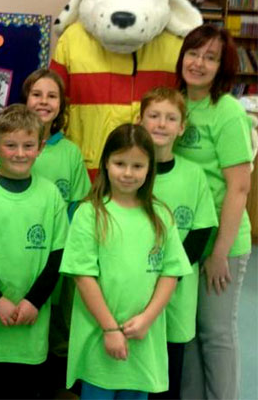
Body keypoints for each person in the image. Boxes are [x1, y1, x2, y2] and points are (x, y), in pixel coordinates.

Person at [60, 123, 192, 399]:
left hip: (142, 342)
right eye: (120, 163)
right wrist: (110, 328)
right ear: (106, 163)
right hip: (100, 339)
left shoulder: (160, 215)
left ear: (149, 168)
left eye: (137, 166)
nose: (128, 173)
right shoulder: (90, 213)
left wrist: (147, 319)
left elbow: (170, 273)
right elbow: (83, 277)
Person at [0, 104, 69, 400]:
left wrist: (33, 302)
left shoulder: (51, 196)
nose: (19, 153)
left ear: (41, 148)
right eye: (10, 145)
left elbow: (57, 257)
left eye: (27, 145)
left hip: (30, 332)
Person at [173, 24, 254, 400]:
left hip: (223, 240)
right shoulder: (175, 103)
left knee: (216, 332)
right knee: (188, 331)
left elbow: (239, 187)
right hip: (188, 238)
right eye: (193, 53)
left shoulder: (227, 112)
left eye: (210, 57)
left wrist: (220, 253)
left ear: (222, 68)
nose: (199, 63)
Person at [139, 87, 218, 400]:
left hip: (176, 297)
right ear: (140, 120)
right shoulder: (130, 172)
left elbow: (200, 232)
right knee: (135, 375)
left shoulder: (194, 175)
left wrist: (166, 275)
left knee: (168, 379)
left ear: (182, 127)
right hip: (134, 295)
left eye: (171, 118)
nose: (161, 124)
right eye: (154, 116)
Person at [0, 69, 90, 214]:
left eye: (52, 96)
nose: (44, 101)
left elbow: (77, 206)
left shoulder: (71, 153)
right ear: (25, 100)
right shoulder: (4, 149)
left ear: (61, 104)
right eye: (36, 95)